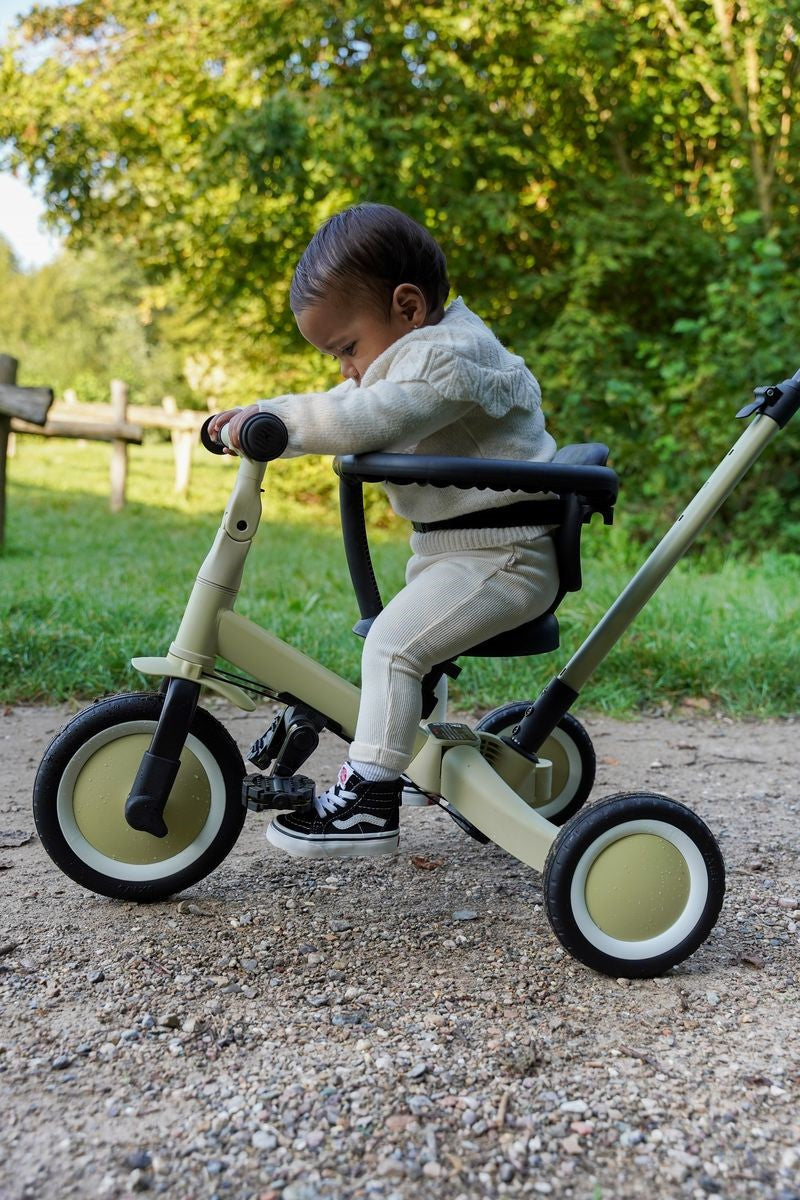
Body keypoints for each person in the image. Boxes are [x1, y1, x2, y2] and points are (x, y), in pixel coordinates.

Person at [208, 202, 559, 860]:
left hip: (506, 557)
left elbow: (369, 417)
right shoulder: (416, 352)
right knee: (400, 644)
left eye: (346, 347)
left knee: (396, 649)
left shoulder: (448, 359)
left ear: (407, 308)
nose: (345, 367)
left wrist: (276, 422)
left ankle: (369, 805)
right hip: (463, 554)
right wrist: (264, 414)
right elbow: (349, 403)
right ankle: (416, 752)